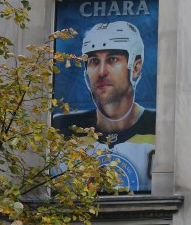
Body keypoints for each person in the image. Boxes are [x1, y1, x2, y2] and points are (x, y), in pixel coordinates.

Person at [52, 21, 156, 191]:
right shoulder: (62, 131)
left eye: (112, 59)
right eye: (93, 61)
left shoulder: (160, 127)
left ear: (136, 67)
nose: (101, 72)